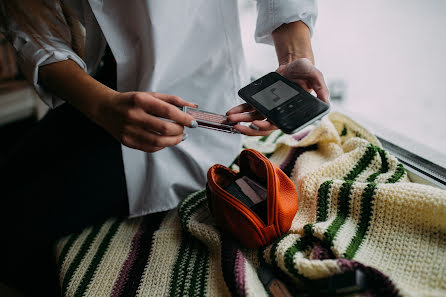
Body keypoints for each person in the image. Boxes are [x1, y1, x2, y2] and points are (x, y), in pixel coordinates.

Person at [0, 0, 329, 296]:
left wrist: (293, 57)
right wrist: (101, 106)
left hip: (194, 104)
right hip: (96, 91)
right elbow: (33, 27)